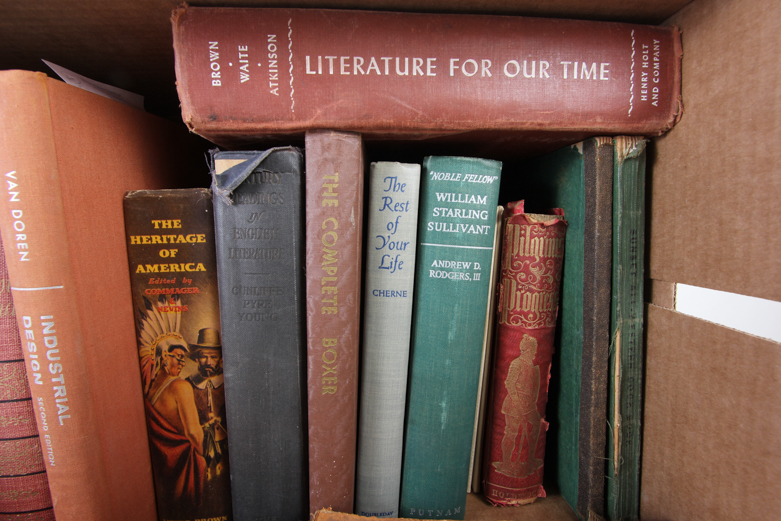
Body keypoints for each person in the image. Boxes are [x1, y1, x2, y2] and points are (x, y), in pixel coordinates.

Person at [145, 338, 206, 516]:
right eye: (178, 357)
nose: (182, 363)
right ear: (164, 356)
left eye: (183, 358)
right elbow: (194, 433)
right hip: (183, 469)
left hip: (161, 472)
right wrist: (202, 458)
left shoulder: (149, 390)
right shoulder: (181, 386)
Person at [186, 328, 232, 514]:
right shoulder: (187, 385)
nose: (208, 362)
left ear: (221, 358)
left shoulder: (229, 383)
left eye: (213, 357)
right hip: (199, 445)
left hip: (227, 444)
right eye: (204, 357)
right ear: (196, 358)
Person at [494, 334, 543, 478]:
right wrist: (516, 401)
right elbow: (509, 383)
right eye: (533, 349)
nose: (535, 352)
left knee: (536, 422)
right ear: (528, 350)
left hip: (528, 405)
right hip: (514, 404)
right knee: (511, 432)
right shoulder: (517, 363)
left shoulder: (532, 366)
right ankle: (507, 463)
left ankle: (530, 458)